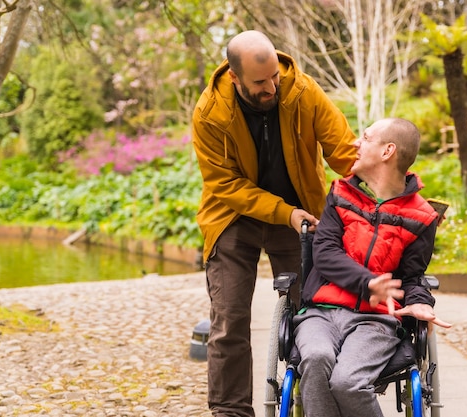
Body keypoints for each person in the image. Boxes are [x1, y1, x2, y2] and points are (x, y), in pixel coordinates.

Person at [191, 30, 356, 417]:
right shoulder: (209, 113)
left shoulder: (303, 92)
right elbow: (226, 185)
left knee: (309, 316)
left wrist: (392, 185)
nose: (272, 88)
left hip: (299, 216)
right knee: (230, 320)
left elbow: (344, 151)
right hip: (233, 218)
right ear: (235, 77)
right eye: (260, 83)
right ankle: (230, 411)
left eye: (274, 78)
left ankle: (308, 400)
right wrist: (284, 211)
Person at [293, 117, 451, 417]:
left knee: (347, 383)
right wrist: (368, 283)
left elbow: (412, 276)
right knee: (315, 358)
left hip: (374, 321)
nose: (355, 143)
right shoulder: (340, 195)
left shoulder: (422, 217)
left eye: (365, 138)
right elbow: (324, 253)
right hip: (320, 313)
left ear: (387, 151)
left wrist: (419, 303)